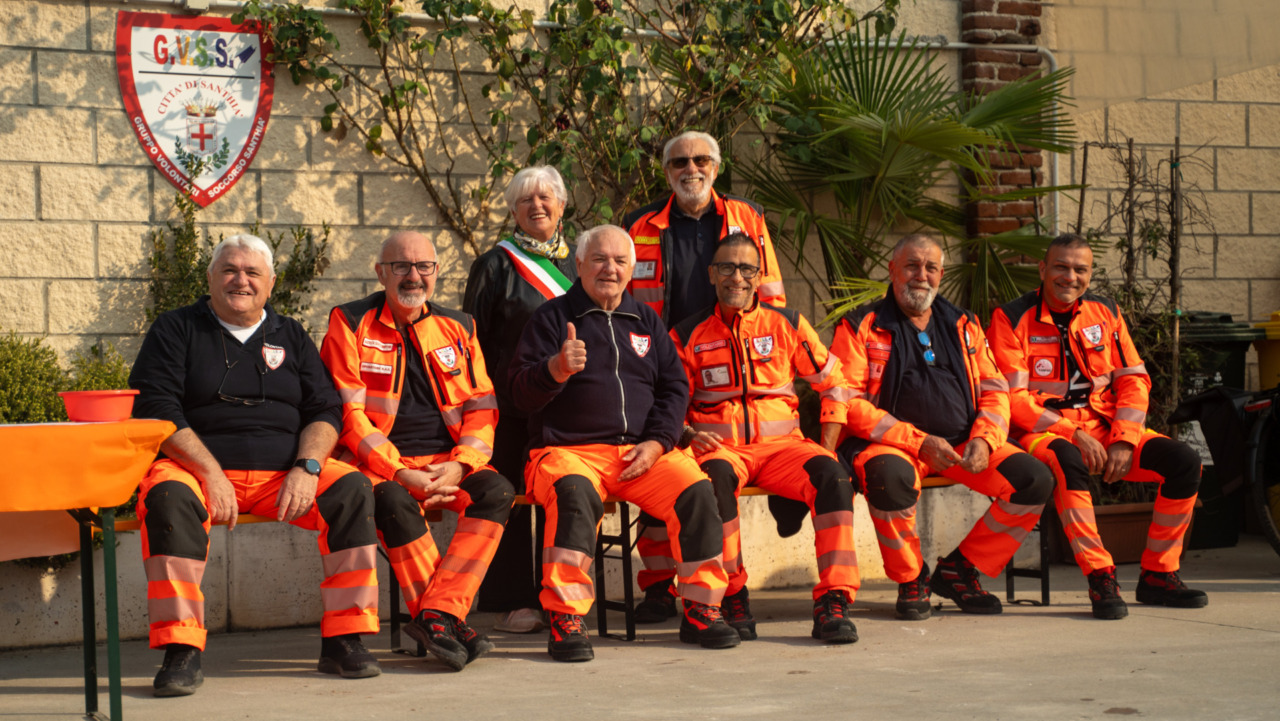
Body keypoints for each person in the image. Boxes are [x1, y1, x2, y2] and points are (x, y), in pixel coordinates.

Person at [130, 234, 382, 697]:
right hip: (196, 473)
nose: (240, 280)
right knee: (165, 498)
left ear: (270, 284)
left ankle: (345, 638)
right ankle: (181, 649)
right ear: (210, 279)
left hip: (285, 475)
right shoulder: (175, 328)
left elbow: (326, 410)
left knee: (351, 490)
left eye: (252, 273)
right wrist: (209, 471)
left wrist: (307, 466)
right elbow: (156, 409)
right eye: (229, 270)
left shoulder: (291, 335)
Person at [509, 224, 738, 662]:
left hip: (642, 454)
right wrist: (555, 370)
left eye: (619, 261)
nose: (609, 269)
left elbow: (675, 389)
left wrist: (658, 442)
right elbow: (518, 394)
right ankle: (566, 617)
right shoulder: (552, 318)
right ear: (579, 265)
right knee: (572, 496)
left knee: (696, 490)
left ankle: (701, 608)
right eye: (598, 259)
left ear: (633, 269)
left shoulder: (646, 320)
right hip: (568, 452)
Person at [826, 234, 1054, 618]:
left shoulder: (964, 324)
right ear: (892, 270)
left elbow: (996, 390)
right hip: (893, 445)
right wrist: (916, 441)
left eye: (931, 267)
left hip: (964, 442)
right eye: (912, 265)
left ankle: (960, 570)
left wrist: (985, 439)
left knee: (1034, 480)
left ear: (941, 274)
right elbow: (847, 402)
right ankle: (911, 577)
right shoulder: (861, 325)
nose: (921, 275)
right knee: (889, 479)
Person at [623, 130, 799, 622]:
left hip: (732, 364)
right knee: (661, 479)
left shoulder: (748, 217)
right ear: (666, 172)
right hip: (660, 362)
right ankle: (658, 585)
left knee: (708, 475)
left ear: (716, 168)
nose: (690, 169)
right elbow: (629, 301)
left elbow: (772, 295)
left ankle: (717, 585)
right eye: (679, 162)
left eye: (701, 160)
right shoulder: (638, 225)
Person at [321, 231, 515, 671]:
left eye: (423, 266)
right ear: (381, 273)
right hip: (379, 465)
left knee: (498, 491)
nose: (414, 276)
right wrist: (398, 471)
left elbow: (482, 406)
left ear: (436, 272)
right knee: (390, 500)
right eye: (401, 267)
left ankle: (437, 615)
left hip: (448, 462)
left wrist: (461, 463)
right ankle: (446, 618)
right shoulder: (349, 322)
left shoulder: (460, 326)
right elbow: (348, 415)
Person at [986, 233, 1207, 619]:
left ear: (1089, 274)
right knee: (1069, 461)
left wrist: (1124, 439)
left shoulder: (1105, 312)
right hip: (1042, 434)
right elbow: (1013, 400)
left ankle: (1159, 574)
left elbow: (1134, 380)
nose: (1069, 276)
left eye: (1080, 269)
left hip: (1106, 430)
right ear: (1043, 269)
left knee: (1184, 461)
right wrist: (1073, 433)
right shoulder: (1010, 318)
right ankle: (1100, 576)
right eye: (1060, 267)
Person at [668, 233, 861, 644]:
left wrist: (825, 447)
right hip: (722, 450)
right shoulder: (688, 334)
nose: (736, 277)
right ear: (711, 274)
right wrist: (687, 434)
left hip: (785, 449)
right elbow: (668, 402)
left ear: (759, 277)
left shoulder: (786, 323)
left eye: (746, 269)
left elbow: (835, 383)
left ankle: (834, 600)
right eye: (727, 267)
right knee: (714, 482)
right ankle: (732, 594)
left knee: (833, 476)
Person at [463, 166, 577, 635]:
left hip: (571, 406)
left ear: (562, 206)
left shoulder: (582, 262)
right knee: (510, 498)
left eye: (546, 198)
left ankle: (563, 593)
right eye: (526, 200)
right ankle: (513, 598)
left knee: (563, 495)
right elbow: (471, 340)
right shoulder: (494, 265)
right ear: (512, 210)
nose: (537, 207)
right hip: (510, 406)